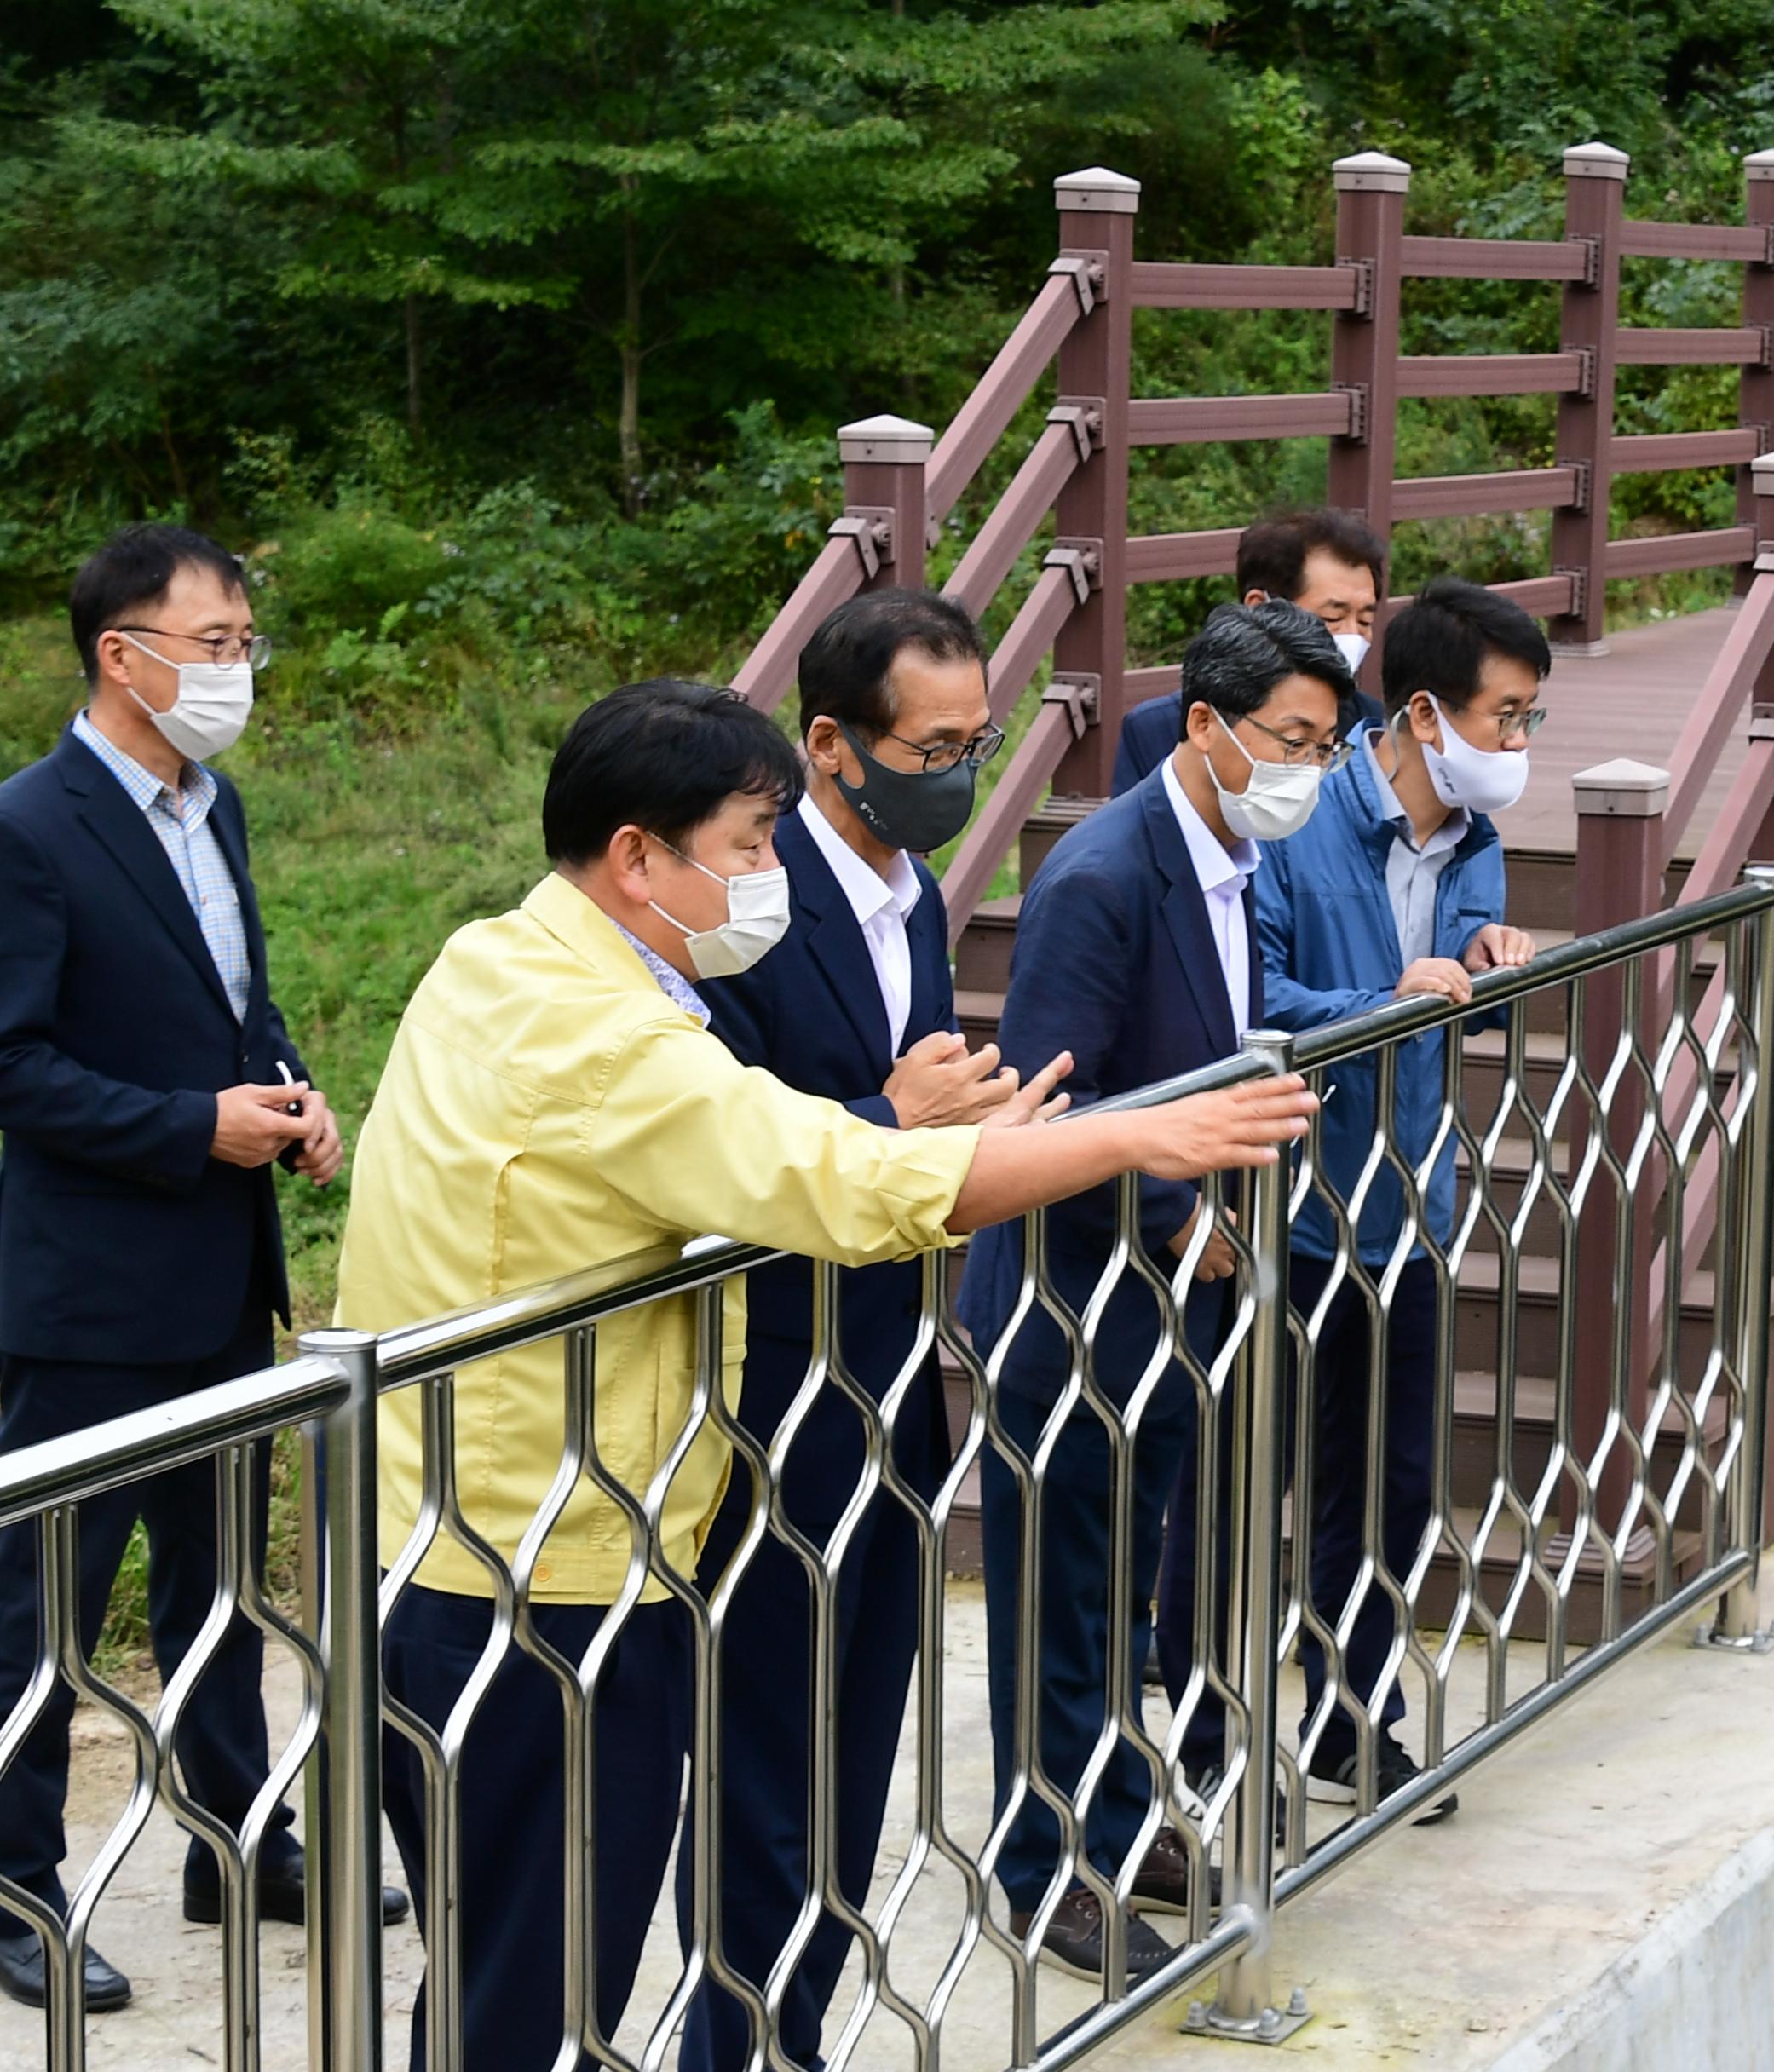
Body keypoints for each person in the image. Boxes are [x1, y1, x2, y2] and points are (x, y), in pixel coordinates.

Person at [335, 678, 1312, 2072]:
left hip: (462, 1535)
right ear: (634, 855)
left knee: (507, 1956)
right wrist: (1132, 1135)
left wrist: (947, 1134)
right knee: (541, 1979)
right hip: (539, 1566)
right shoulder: (604, 1034)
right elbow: (838, 1180)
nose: (763, 875)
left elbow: (775, 1145)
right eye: (742, 844)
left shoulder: (501, 958)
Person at [0, 524, 406, 2015]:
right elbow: (14, 1065)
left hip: (222, 1268)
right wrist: (195, 1126)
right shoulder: (30, 826)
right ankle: (12, 1876)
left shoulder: (208, 805)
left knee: (220, 1582)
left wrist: (286, 1089)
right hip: (92, 1292)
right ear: (123, 655)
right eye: (212, 645)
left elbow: (232, 992)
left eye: (246, 643)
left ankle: (241, 1837)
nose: (238, 671)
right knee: (44, 1594)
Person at [955, 601, 1353, 1984]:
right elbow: (1046, 1107)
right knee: (1058, 1590)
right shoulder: (1103, 876)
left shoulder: (1230, 857)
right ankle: (1046, 1861)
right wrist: (1183, 1216)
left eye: (1324, 745)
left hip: (1171, 1291)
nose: (1306, 768)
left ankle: (1119, 1815)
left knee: (1125, 1581)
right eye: (1287, 740)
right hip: (1076, 1292)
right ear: (1203, 726)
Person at [669, 591, 1017, 2071]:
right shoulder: (741, 902)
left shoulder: (908, 894)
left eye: (976, 743)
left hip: (885, 1370)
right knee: (761, 1748)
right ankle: (729, 2039)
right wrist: (897, 1120)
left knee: (858, 1734)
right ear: (829, 743)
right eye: (931, 746)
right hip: (762, 1384)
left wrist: (952, 1137)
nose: (957, 772)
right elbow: (722, 1148)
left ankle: (794, 2028)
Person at [1223, 576, 1548, 1822]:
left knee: (1396, 1484)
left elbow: (1452, 979)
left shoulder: (1473, 839)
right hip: (1289, 1212)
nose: (1517, 748)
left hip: (1410, 1210)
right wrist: (1382, 1001)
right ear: (1425, 714)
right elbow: (1249, 997)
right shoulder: (1299, 821)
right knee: (1250, 1482)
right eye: (1504, 718)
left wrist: (1486, 960)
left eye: (1527, 722)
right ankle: (1211, 1742)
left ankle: (1357, 1721)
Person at [1109, 511, 1384, 791]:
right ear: (1259, 606)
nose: (1353, 635)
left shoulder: (1373, 733)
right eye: (1332, 618)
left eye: (1365, 621)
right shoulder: (1156, 730)